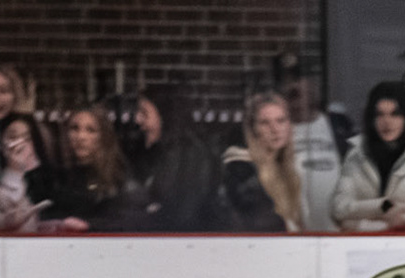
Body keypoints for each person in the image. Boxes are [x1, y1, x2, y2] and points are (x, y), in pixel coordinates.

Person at [331, 83, 405, 232]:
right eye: (380, 114)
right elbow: (339, 210)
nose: (387, 122)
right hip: (361, 249)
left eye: (395, 114)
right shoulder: (356, 157)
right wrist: (384, 207)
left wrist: (402, 220)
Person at [124, 85, 222, 232]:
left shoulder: (191, 155)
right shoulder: (148, 151)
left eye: (144, 113)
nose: (138, 119)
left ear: (164, 116)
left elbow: (183, 213)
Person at [35, 103, 143, 232]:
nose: (81, 137)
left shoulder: (118, 176)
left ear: (103, 136)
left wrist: (89, 226)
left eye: (90, 130)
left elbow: (130, 222)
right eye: (74, 128)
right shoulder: (59, 177)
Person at [277, 57, 351, 232]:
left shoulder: (339, 126)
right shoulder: (273, 131)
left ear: (313, 85)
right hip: (292, 239)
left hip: (341, 237)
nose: (293, 85)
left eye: (299, 78)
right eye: (286, 80)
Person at [221, 92, 304, 233]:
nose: (275, 129)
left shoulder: (288, 170)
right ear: (253, 128)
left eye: (281, 120)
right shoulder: (240, 168)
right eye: (265, 123)